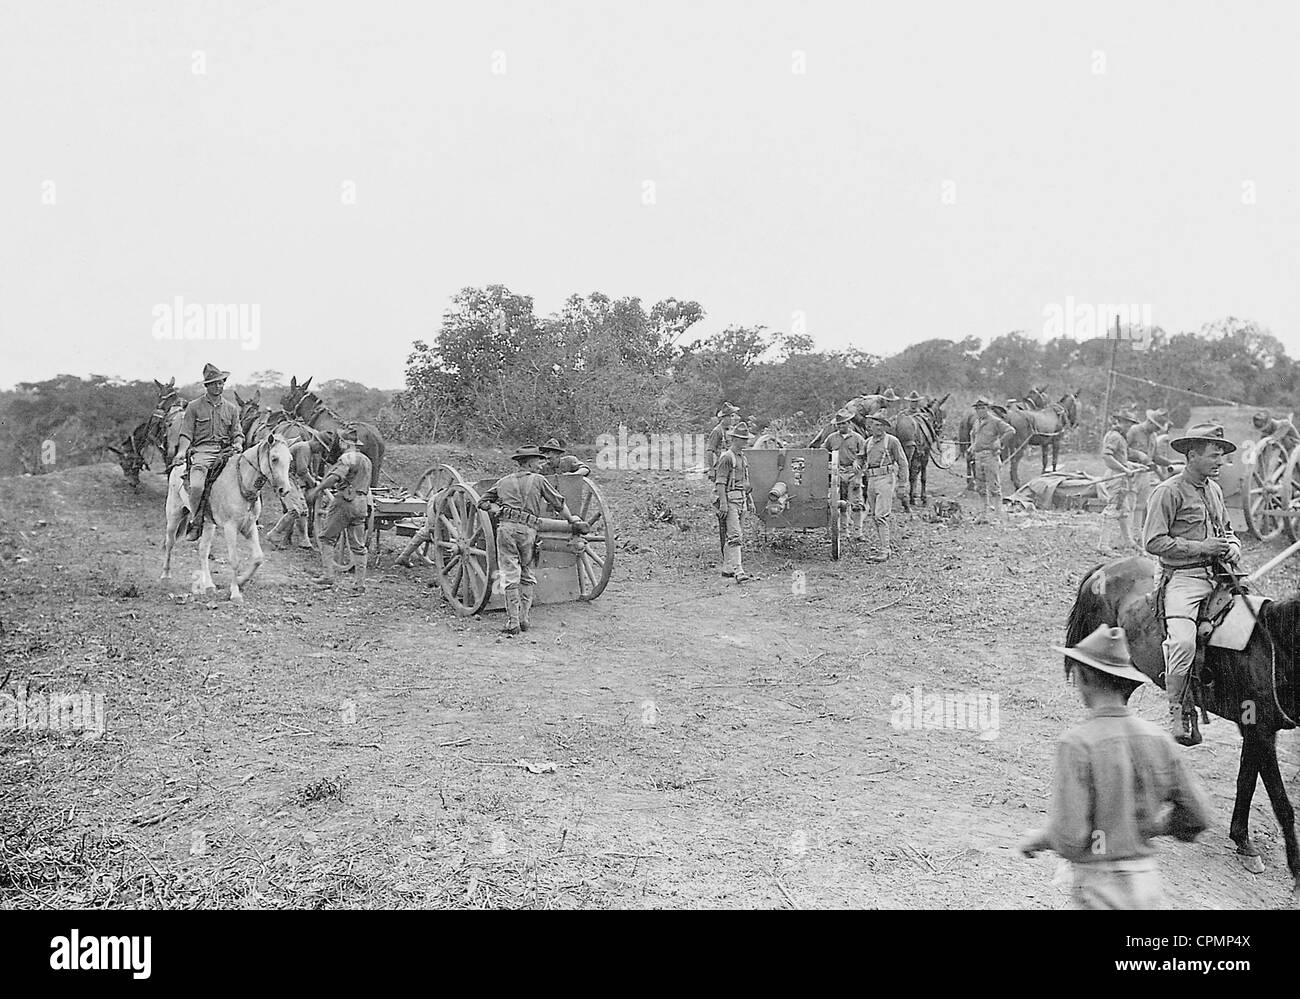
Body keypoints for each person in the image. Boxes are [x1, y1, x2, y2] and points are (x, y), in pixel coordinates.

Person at [1019, 624, 1210, 909]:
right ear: (1125, 684)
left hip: (1100, 889)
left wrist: (1038, 839)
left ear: (1083, 677)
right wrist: (1150, 827)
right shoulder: (1159, 739)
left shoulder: (1077, 744)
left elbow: (1070, 837)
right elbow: (1198, 816)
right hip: (1147, 884)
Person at [1142, 423, 1241, 745]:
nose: (1220, 462)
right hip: (1184, 579)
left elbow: (1226, 530)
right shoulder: (1167, 492)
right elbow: (1154, 542)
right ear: (1192, 454)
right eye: (1215, 456)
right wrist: (1202, 548)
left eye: (1223, 457)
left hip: (1222, 575)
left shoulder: (1214, 490)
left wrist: (1233, 546)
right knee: (1183, 642)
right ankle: (1179, 710)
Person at [477, 445, 586, 635]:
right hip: (528, 531)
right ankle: (524, 619)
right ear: (527, 463)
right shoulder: (539, 480)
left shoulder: (503, 482)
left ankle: (513, 622)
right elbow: (558, 503)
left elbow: (482, 502)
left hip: (506, 530)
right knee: (526, 572)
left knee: (510, 573)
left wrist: (498, 510)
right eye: (538, 461)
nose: (541, 465)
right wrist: (572, 520)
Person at [176, 363, 244, 541]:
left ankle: (248, 516)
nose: (218, 386)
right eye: (214, 383)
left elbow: (237, 433)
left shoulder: (231, 408)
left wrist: (237, 442)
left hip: (226, 452)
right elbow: (186, 433)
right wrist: (182, 451)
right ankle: (196, 520)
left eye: (221, 383)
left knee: (247, 475)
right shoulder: (194, 407)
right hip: (202, 452)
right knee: (197, 486)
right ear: (207, 385)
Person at [306, 433, 373, 590]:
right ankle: (360, 584)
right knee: (358, 545)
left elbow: (335, 476)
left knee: (326, 538)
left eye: (340, 442)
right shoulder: (366, 460)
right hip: (362, 503)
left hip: (345, 502)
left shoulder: (347, 458)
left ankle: (328, 576)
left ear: (344, 443)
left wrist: (318, 489)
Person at [860, 414, 908, 561]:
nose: (879, 428)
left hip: (886, 479)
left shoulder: (892, 441)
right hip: (871, 479)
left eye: (882, 425)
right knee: (875, 516)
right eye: (876, 425)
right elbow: (861, 457)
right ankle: (883, 546)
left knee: (881, 515)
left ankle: (885, 550)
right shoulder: (868, 442)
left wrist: (902, 484)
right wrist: (857, 462)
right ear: (870, 427)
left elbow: (903, 462)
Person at [1098, 411, 1147, 554]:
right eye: (1126, 423)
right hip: (1117, 477)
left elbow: (1121, 459)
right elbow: (1107, 457)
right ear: (1119, 422)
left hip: (1122, 476)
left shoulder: (1120, 437)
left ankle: (1129, 542)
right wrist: (1124, 469)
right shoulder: (1115, 436)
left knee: (1124, 511)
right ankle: (1103, 546)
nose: (1129, 426)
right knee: (1113, 509)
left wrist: (1135, 466)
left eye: (1131, 424)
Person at [714, 421, 755, 582]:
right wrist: (723, 503)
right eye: (742, 439)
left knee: (735, 535)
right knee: (735, 535)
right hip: (730, 500)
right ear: (735, 439)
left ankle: (727, 568)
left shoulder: (742, 458)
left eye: (746, 439)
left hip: (742, 499)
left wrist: (750, 500)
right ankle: (738, 571)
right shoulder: (727, 458)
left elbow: (745, 482)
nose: (746, 442)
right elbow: (720, 483)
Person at [968, 398, 1016, 524]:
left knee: (994, 487)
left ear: (987, 408)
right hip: (978, 458)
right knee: (980, 488)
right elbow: (972, 434)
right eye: (977, 408)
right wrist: (972, 445)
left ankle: (998, 516)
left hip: (991, 457)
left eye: (982, 408)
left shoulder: (995, 421)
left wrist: (999, 442)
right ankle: (983, 515)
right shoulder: (977, 422)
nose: (980, 410)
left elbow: (1010, 430)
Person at [824, 409, 867, 540]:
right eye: (839, 424)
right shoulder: (831, 438)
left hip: (854, 473)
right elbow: (824, 453)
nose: (841, 426)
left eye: (843, 423)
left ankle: (858, 532)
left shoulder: (858, 438)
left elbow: (864, 455)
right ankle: (844, 531)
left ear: (849, 423)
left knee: (857, 504)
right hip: (838, 473)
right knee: (840, 503)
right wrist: (829, 465)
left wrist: (857, 462)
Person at [1126, 408, 1172, 528]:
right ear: (1150, 422)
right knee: (1129, 504)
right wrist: (1139, 455)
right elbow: (1122, 450)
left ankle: (1136, 535)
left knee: (1140, 505)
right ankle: (1126, 535)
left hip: (1144, 473)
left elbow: (1154, 456)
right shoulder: (1133, 431)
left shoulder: (1153, 436)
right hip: (1131, 471)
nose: (1157, 430)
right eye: (1156, 427)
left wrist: (1168, 463)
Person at [705, 404, 740, 481]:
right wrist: (711, 470)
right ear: (725, 418)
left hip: (733, 465)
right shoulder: (717, 431)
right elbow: (710, 450)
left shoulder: (733, 430)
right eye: (731, 416)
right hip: (722, 466)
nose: (733, 419)